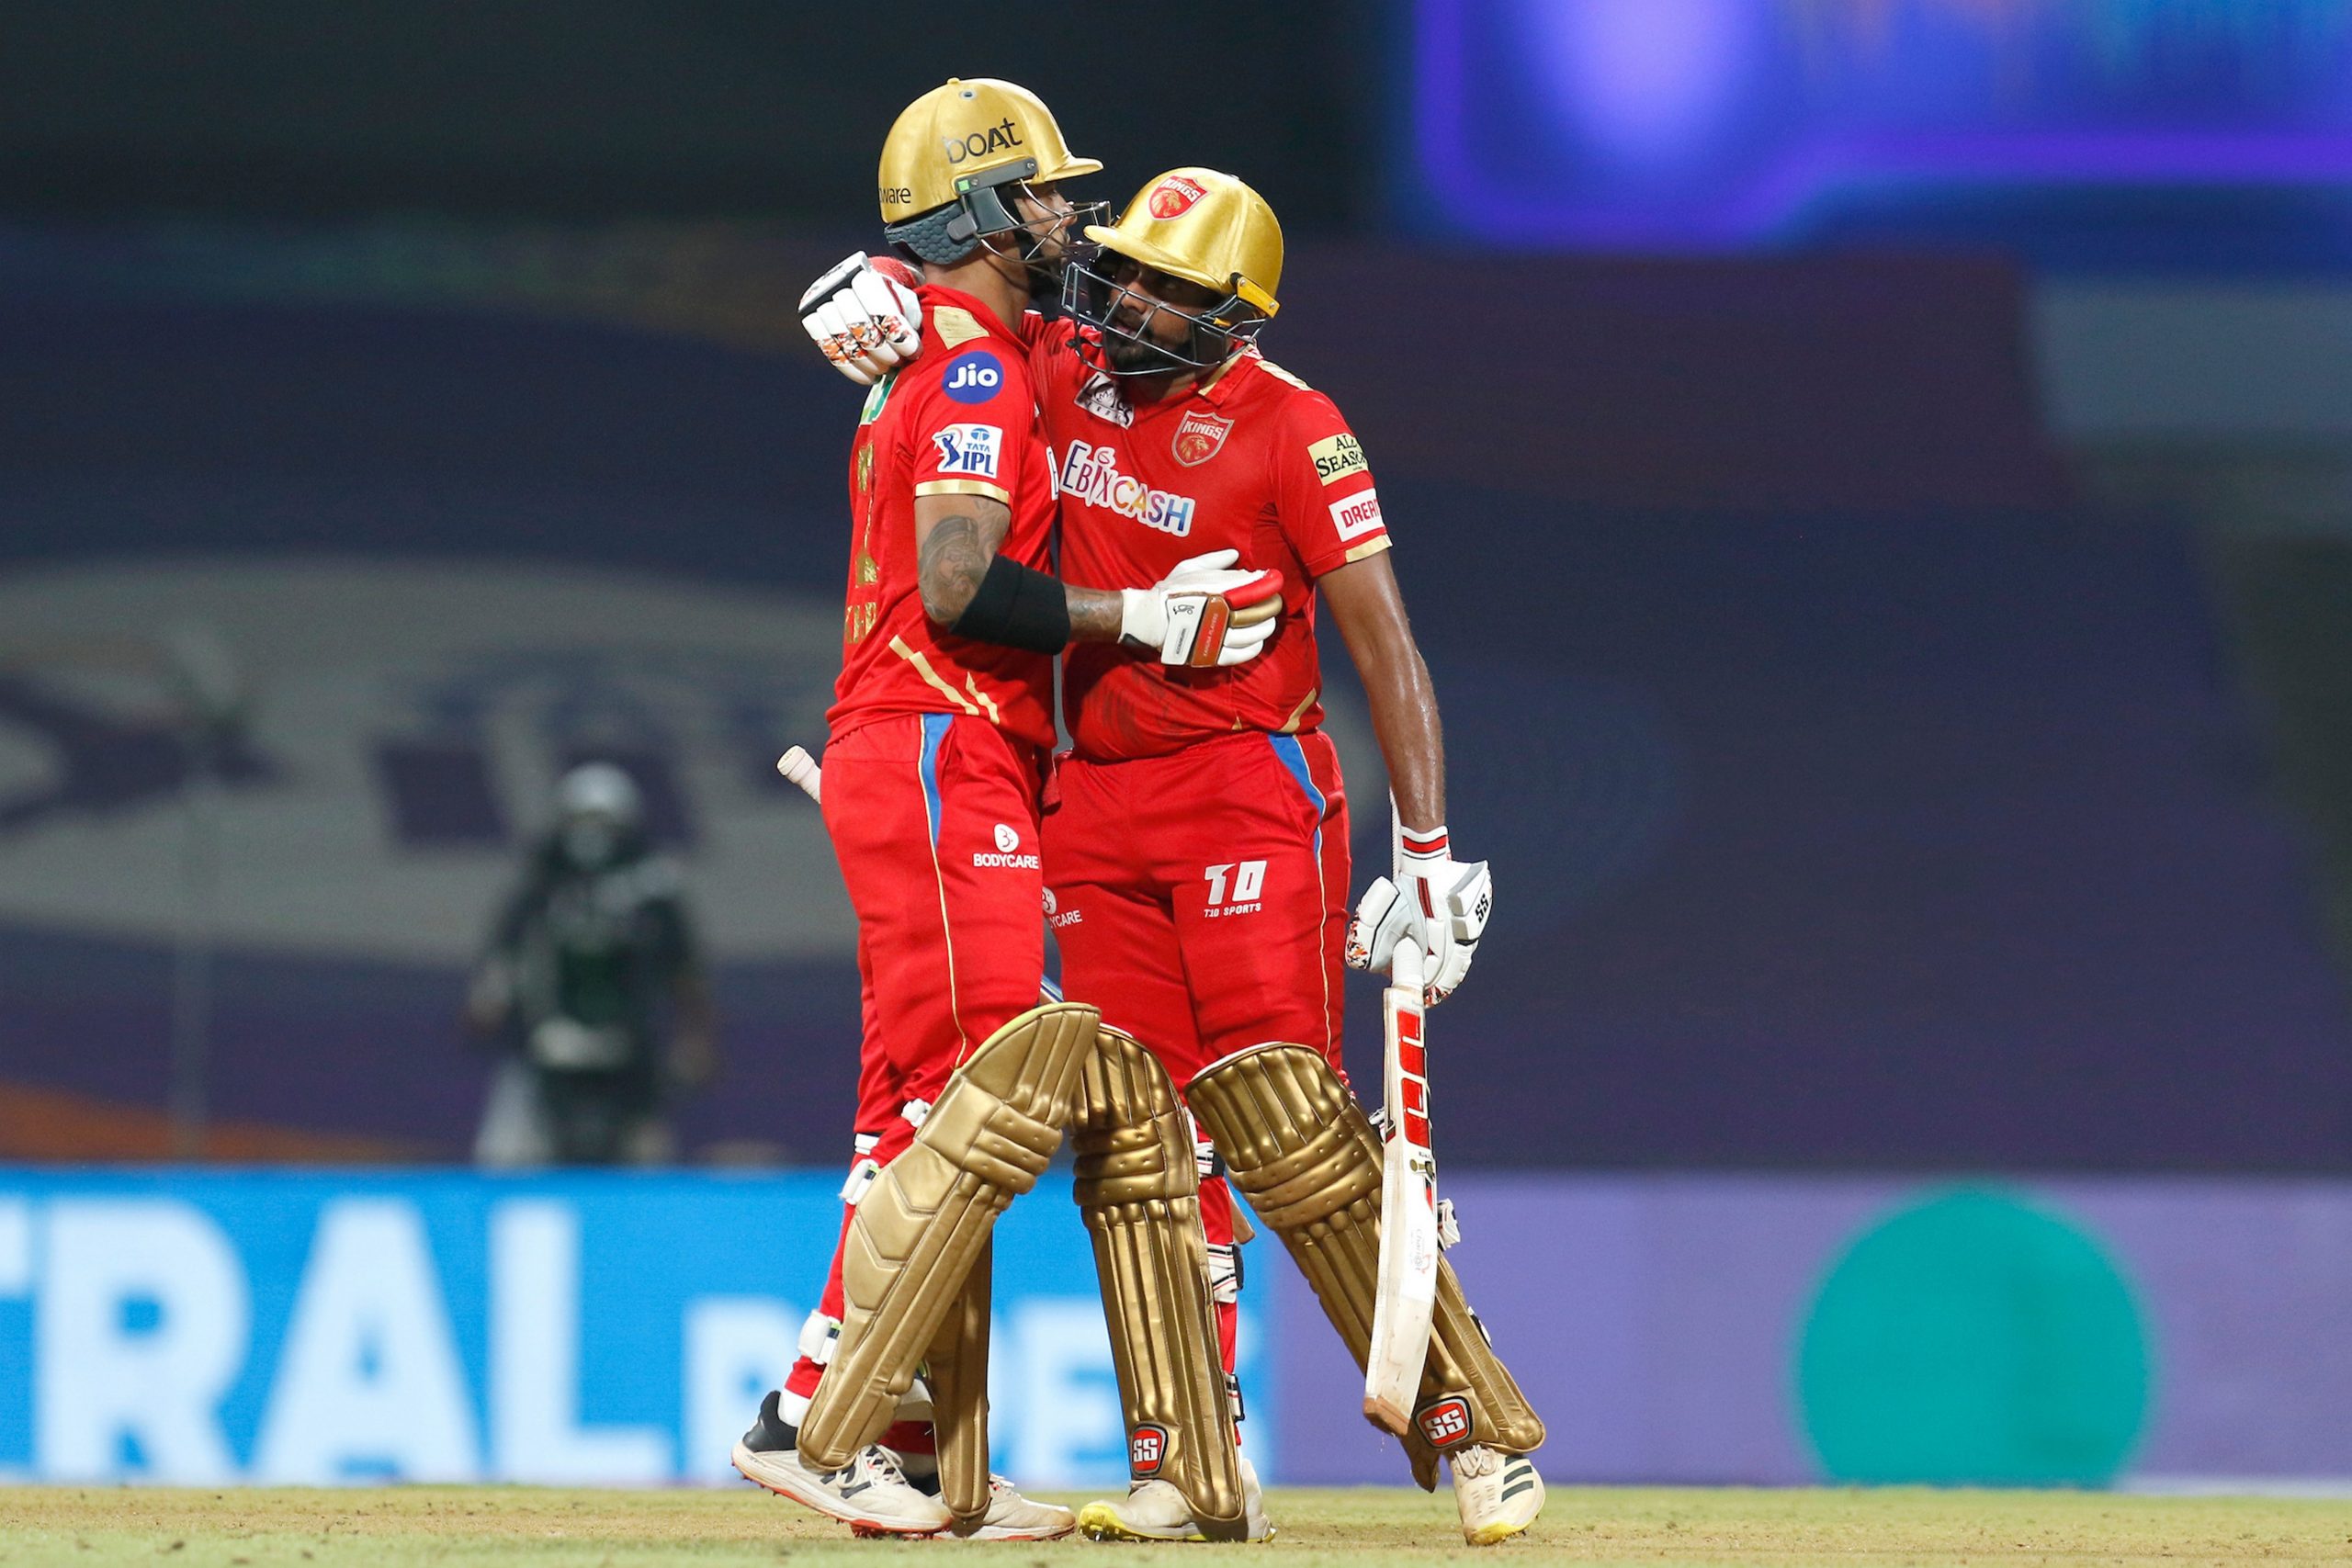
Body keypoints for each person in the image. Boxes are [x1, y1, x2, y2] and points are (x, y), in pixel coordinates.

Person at [797, 167, 1547, 1546]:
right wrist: (882, 283)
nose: (1130, 299)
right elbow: (966, 309)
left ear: (1233, 316)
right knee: (1138, 1144)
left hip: (1250, 792)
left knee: (1287, 1122)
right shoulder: (1065, 364)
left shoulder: (1296, 425)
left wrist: (1431, 847)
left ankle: (1472, 1430)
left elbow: (1385, 642)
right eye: (1129, 269)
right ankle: (1191, 1467)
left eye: (1170, 289)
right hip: (1092, 798)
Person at [729, 81, 1283, 1541]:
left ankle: (901, 1443)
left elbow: (1076, 339)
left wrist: (886, 277)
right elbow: (964, 581)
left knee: (915, 1104)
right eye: (1039, 194)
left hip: (929, 750)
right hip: (938, 743)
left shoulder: (981, 340)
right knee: (974, 1099)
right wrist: (1141, 617)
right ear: (980, 210)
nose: (1068, 218)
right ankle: (812, 1412)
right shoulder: (974, 370)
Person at [465, 761, 715, 1167]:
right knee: (507, 1155)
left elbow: (682, 968)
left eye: (604, 822)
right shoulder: (543, 884)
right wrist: (488, 1001)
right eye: (583, 820)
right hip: (543, 1045)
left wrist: (694, 1038)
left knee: (645, 1159)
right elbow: (506, 957)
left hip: (630, 1048)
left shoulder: (653, 891)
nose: (593, 835)